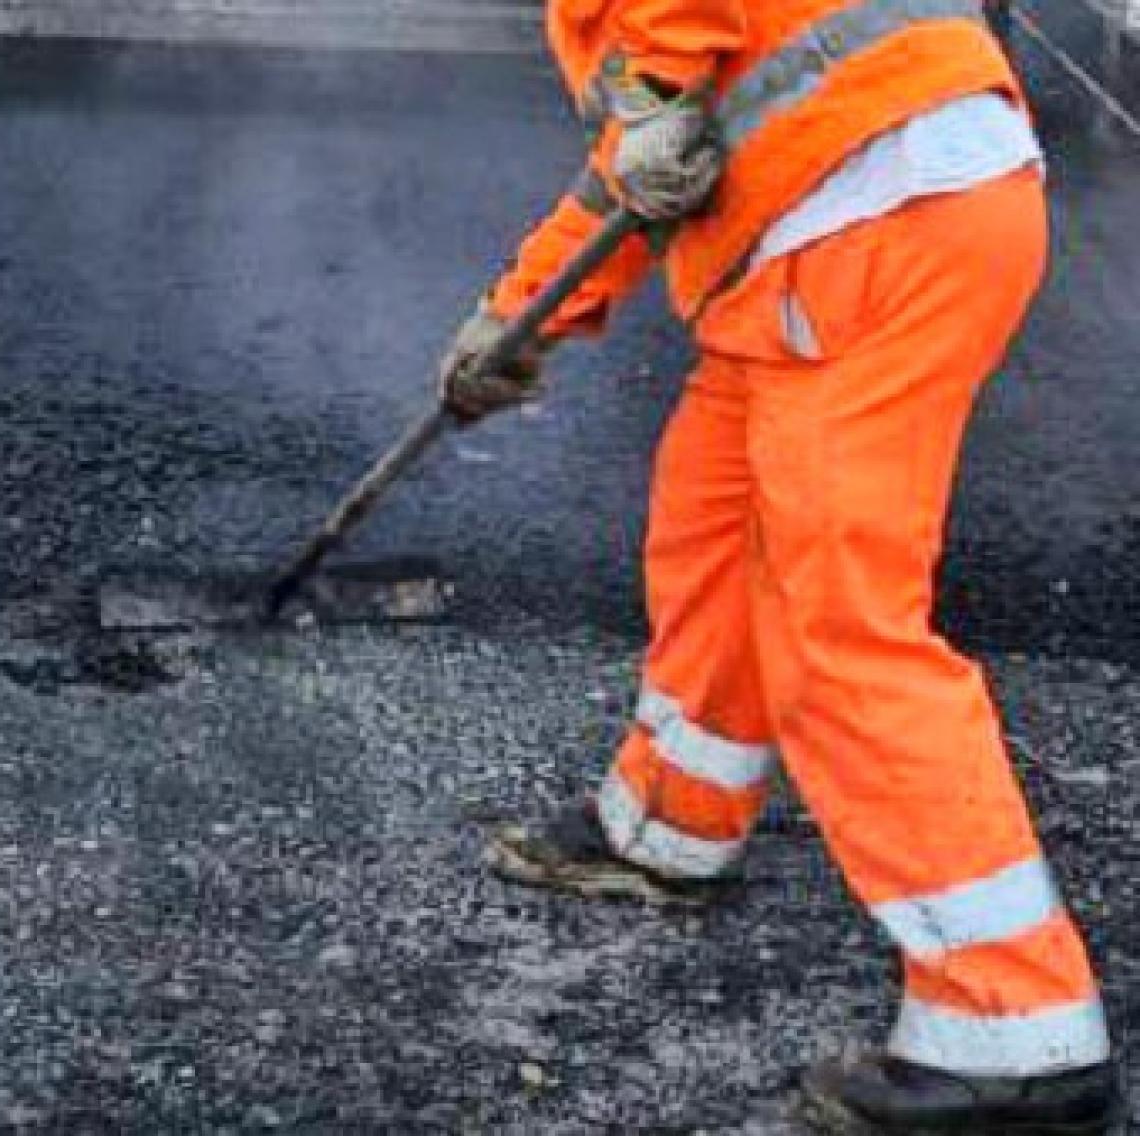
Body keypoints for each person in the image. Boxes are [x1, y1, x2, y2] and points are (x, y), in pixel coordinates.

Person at [436, 0, 1126, 1130]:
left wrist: (650, 98)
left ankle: (1016, 1027)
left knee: (839, 623)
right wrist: (515, 322)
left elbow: (659, 100)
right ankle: (670, 821)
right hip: (856, 207)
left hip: (872, 215)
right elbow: (643, 166)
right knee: (713, 514)